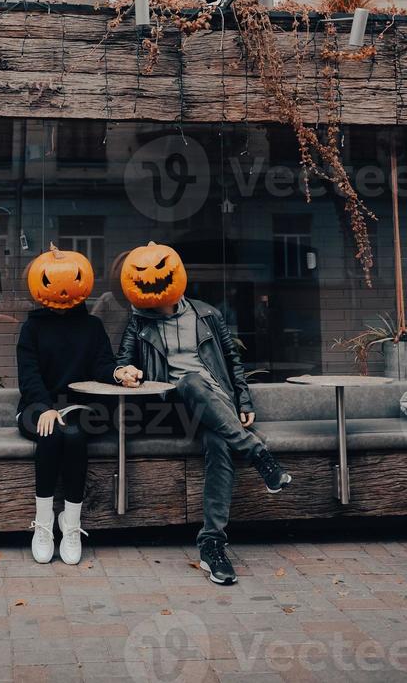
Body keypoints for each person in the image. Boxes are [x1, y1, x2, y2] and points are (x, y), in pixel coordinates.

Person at [116, 243, 292, 586]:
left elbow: (232, 360)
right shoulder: (138, 322)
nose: (150, 281)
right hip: (170, 409)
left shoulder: (207, 314)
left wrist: (244, 403)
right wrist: (123, 372)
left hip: (216, 405)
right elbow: (121, 362)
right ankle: (258, 454)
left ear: (176, 275)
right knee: (192, 381)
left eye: (159, 271)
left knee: (220, 443)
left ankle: (212, 545)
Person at [17, 244, 138, 565]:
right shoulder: (32, 328)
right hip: (38, 406)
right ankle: (43, 523)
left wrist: (118, 372)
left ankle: (70, 524)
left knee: (72, 434)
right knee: (52, 433)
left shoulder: (92, 326)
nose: (62, 288)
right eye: (51, 279)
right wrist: (44, 406)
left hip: (81, 409)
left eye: (72, 279)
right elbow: (28, 376)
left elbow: (101, 366)